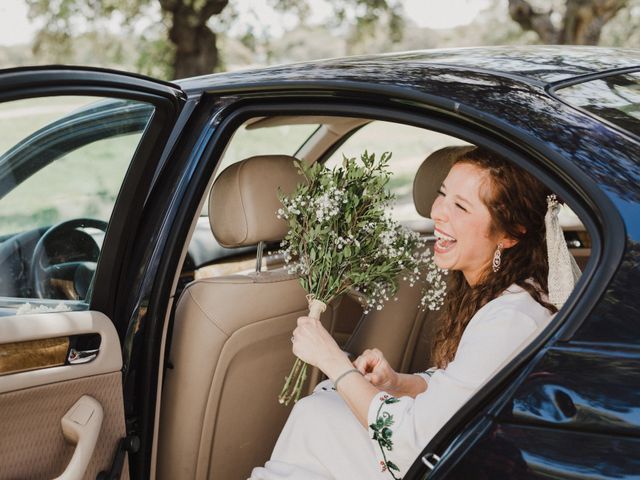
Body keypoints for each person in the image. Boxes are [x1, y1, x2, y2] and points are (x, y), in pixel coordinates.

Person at [250, 146, 578, 480]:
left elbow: (412, 445)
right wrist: (399, 383)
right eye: (442, 194)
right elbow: (465, 390)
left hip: (458, 464)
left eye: (461, 206)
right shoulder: (516, 291)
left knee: (316, 420)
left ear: (510, 233)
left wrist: (331, 361)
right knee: (316, 413)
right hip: (467, 450)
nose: (438, 212)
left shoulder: (511, 319)